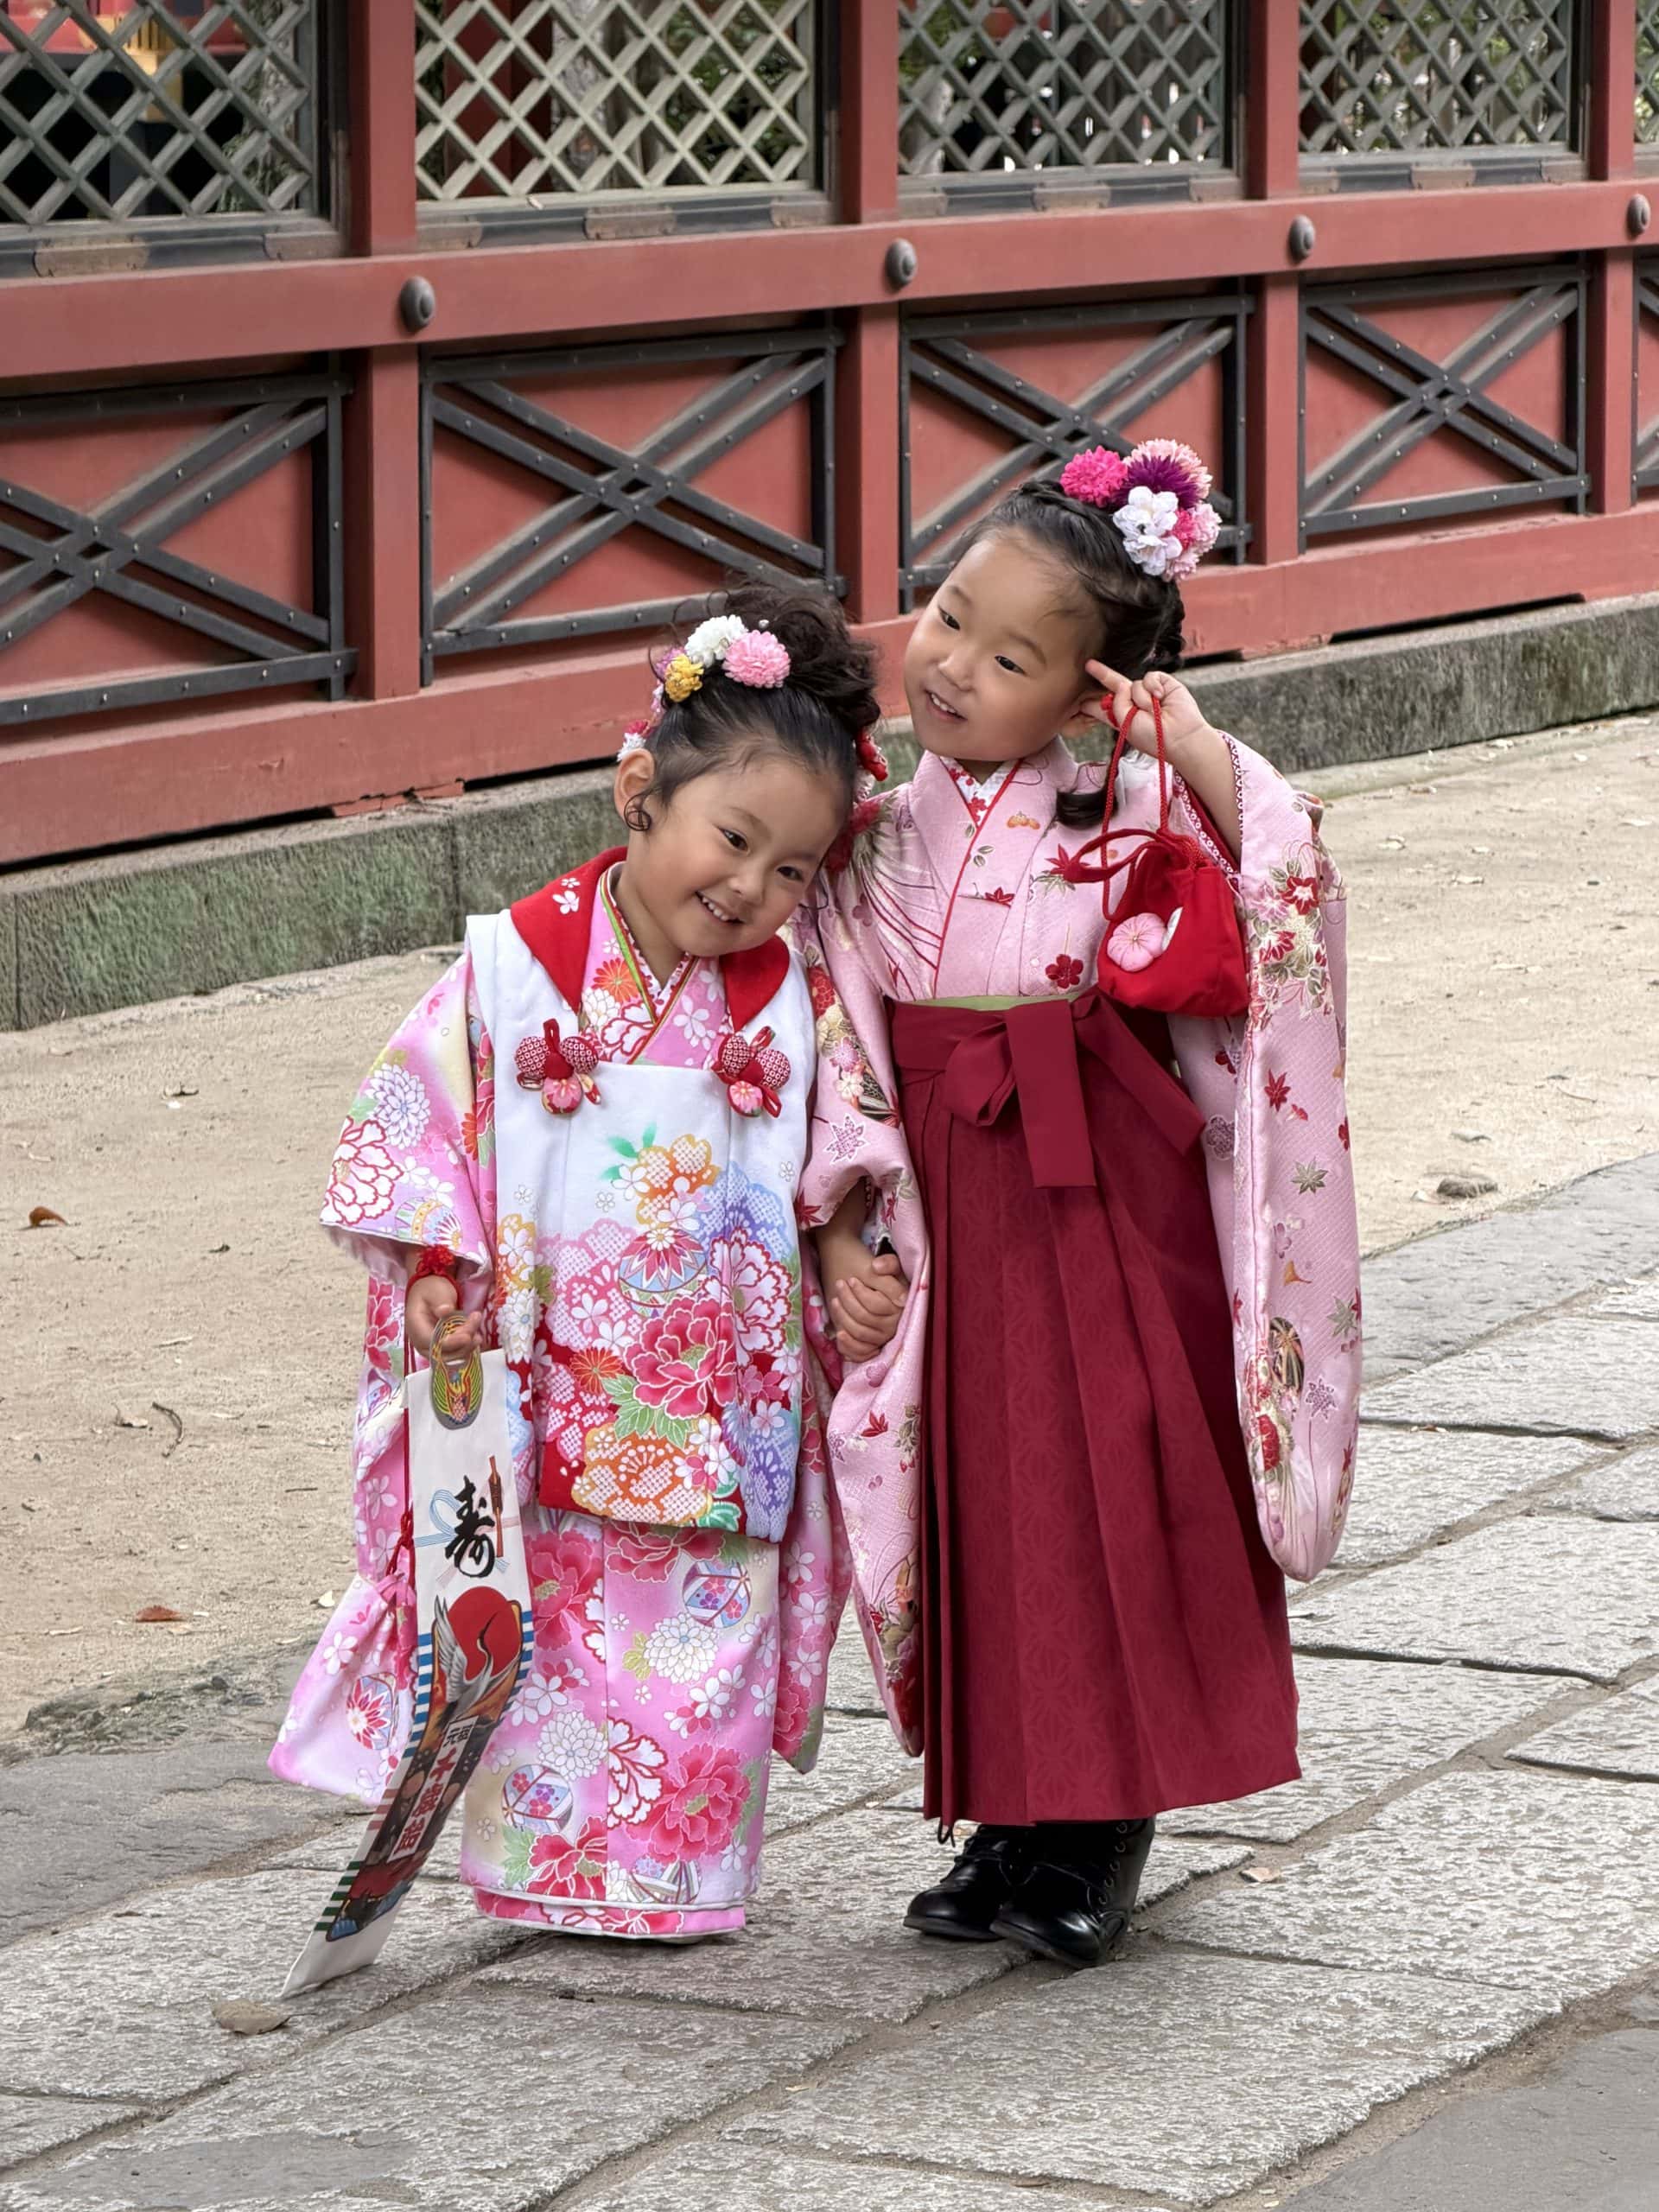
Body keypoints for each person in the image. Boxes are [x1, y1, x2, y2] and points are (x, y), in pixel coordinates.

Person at [271, 584, 907, 1942]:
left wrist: (841, 1243)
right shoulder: (514, 968)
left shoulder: (795, 995)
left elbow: (842, 1140)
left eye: (793, 870)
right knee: (547, 1626)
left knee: (699, 1634)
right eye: (733, 840)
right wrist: (431, 1265)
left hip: (713, 1392)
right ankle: (544, 1872)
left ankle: (683, 1879)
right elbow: (421, 1117)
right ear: (640, 794)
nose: (749, 889)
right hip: (549, 1372)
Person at [798, 441, 1361, 1968]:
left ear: (1085, 695)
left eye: (1011, 659)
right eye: (950, 616)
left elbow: (1285, 886)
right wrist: (840, 1220)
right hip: (941, 1184)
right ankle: (1008, 1812)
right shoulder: (876, 821)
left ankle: (1104, 1823)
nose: (953, 666)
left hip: (1102, 1183)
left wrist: (1194, 754)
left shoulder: (1139, 796)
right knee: (982, 1498)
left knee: (1113, 1482)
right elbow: (826, 1017)